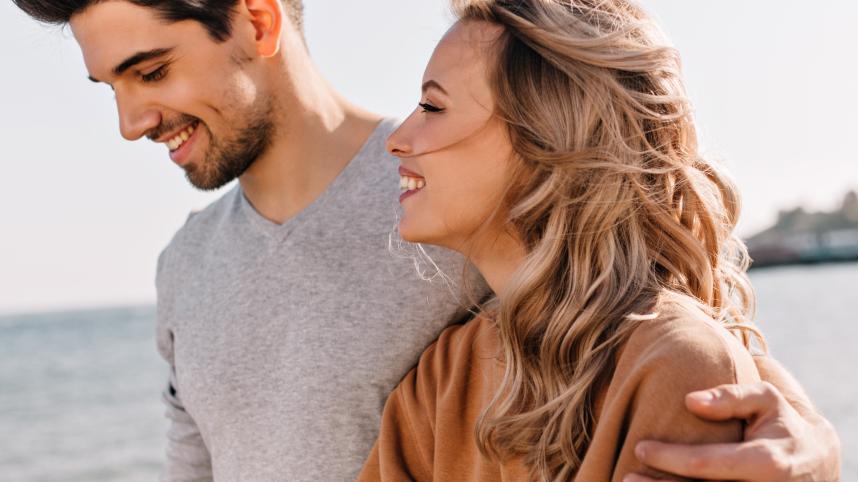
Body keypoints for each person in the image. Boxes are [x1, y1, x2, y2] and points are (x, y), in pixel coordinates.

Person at [10, 0, 840, 480]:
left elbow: (659, 321)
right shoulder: (185, 268)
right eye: (109, 86)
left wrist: (809, 439)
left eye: (151, 71)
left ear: (256, 20)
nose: (130, 122)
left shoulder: (460, 189)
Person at [359, 1, 841, 480]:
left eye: (433, 107)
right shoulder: (444, 377)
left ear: (550, 136)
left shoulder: (677, 367)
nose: (396, 139)